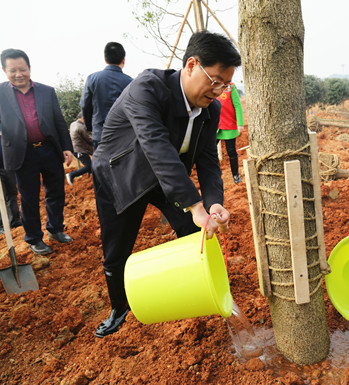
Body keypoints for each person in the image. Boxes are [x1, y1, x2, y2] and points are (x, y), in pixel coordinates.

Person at [91, 30, 241, 338]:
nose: (220, 90)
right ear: (191, 65)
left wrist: (212, 204)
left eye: (226, 85)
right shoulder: (146, 88)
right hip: (122, 173)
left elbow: (209, 163)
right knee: (117, 249)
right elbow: (156, 146)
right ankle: (119, 306)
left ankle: (199, 285)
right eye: (215, 81)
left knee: (193, 229)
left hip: (167, 176)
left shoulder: (210, 110)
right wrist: (195, 204)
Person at [0, 49, 75, 255]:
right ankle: (34, 238)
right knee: (28, 198)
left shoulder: (47, 91)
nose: (18, 74)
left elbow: (59, 121)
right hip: (22, 153)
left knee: (56, 192)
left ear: (29, 68)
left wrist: (67, 147)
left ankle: (55, 229)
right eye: (13, 70)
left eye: (22, 69)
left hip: (48, 149)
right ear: (4, 70)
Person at [80, 42, 132, 150]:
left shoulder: (92, 79)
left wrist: (90, 127)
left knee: (101, 166)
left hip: (100, 135)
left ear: (105, 59)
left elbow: (85, 105)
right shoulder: (131, 82)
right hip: (124, 136)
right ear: (124, 60)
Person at [0, 133, 21, 235]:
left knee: (12, 194)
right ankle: (0, 226)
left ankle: (15, 221)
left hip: (8, 165)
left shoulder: (2, 123)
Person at [216, 82, 244, 184]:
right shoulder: (213, 85)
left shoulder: (231, 87)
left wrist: (240, 124)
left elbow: (237, 106)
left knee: (231, 151)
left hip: (228, 125)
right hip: (215, 125)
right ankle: (216, 175)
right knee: (210, 152)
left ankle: (235, 175)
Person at [66, 112, 93, 185]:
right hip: (80, 150)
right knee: (89, 166)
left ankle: (91, 179)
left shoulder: (73, 124)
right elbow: (89, 139)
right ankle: (72, 174)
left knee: (90, 164)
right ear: (82, 118)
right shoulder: (81, 127)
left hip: (75, 149)